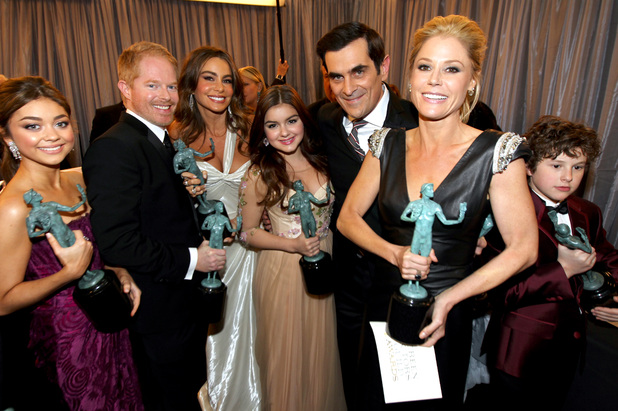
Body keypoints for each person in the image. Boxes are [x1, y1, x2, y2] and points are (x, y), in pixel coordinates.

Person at [336, 15, 537, 409]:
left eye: (452, 69)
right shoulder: (385, 144)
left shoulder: (498, 153)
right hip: (382, 305)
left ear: (471, 82)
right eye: (425, 66)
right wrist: (393, 252)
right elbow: (347, 219)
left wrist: (449, 301)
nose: (434, 80)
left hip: (446, 318)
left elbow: (524, 248)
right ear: (410, 76)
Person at [82, 41, 226, 411]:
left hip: (181, 308)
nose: (166, 96)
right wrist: (195, 259)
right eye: (152, 85)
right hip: (158, 313)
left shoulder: (162, 142)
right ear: (125, 89)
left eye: (171, 86)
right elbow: (117, 243)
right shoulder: (114, 147)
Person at [0, 76, 143, 410]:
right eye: (32, 126)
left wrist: (118, 270)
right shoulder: (12, 206)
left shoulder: (78, 178)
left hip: (108, 319)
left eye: (60, 123)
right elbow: (3, 300)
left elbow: (95, 246)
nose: (52, 135)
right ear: (8, 136)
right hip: (64, 338)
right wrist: (66, 274)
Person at [315, 21, 419, 409]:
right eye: (336, 76)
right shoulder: (324, 120)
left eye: (359, 71)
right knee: (351, 380)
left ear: (384, 66)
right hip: (346, 283)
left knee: (401, 390)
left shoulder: (419, 125)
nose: (347, 88)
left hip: (402, 283)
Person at [484, 115, 618, 410]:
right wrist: (565, 269)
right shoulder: (504, 214)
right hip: (518, 352)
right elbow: (504, 293)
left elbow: (609, 256)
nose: (568, 177)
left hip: (570, 346)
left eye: (578, 167)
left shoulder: (588, 211)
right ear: (529, 167)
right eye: (556, 165)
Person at [239, 84, 346, 411]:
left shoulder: (326, 160)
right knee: (288, 355)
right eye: (272, 125)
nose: (284, 132)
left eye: (291, 121)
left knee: (321, 350)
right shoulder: (259, 173)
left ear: (304, 122)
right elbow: (247, 233)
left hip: (325, 261)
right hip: (282, 270)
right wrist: (292, 244)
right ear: (263, 130)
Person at [172, 45, 260, 411]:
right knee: (219, 338)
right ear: (192, 84)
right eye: (209, 77)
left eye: (227, 80)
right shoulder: (175, 136)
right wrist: (184, 193)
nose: (220, 87)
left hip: (255, 254)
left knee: (260, 338)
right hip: (212, 260)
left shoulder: (252, 130)